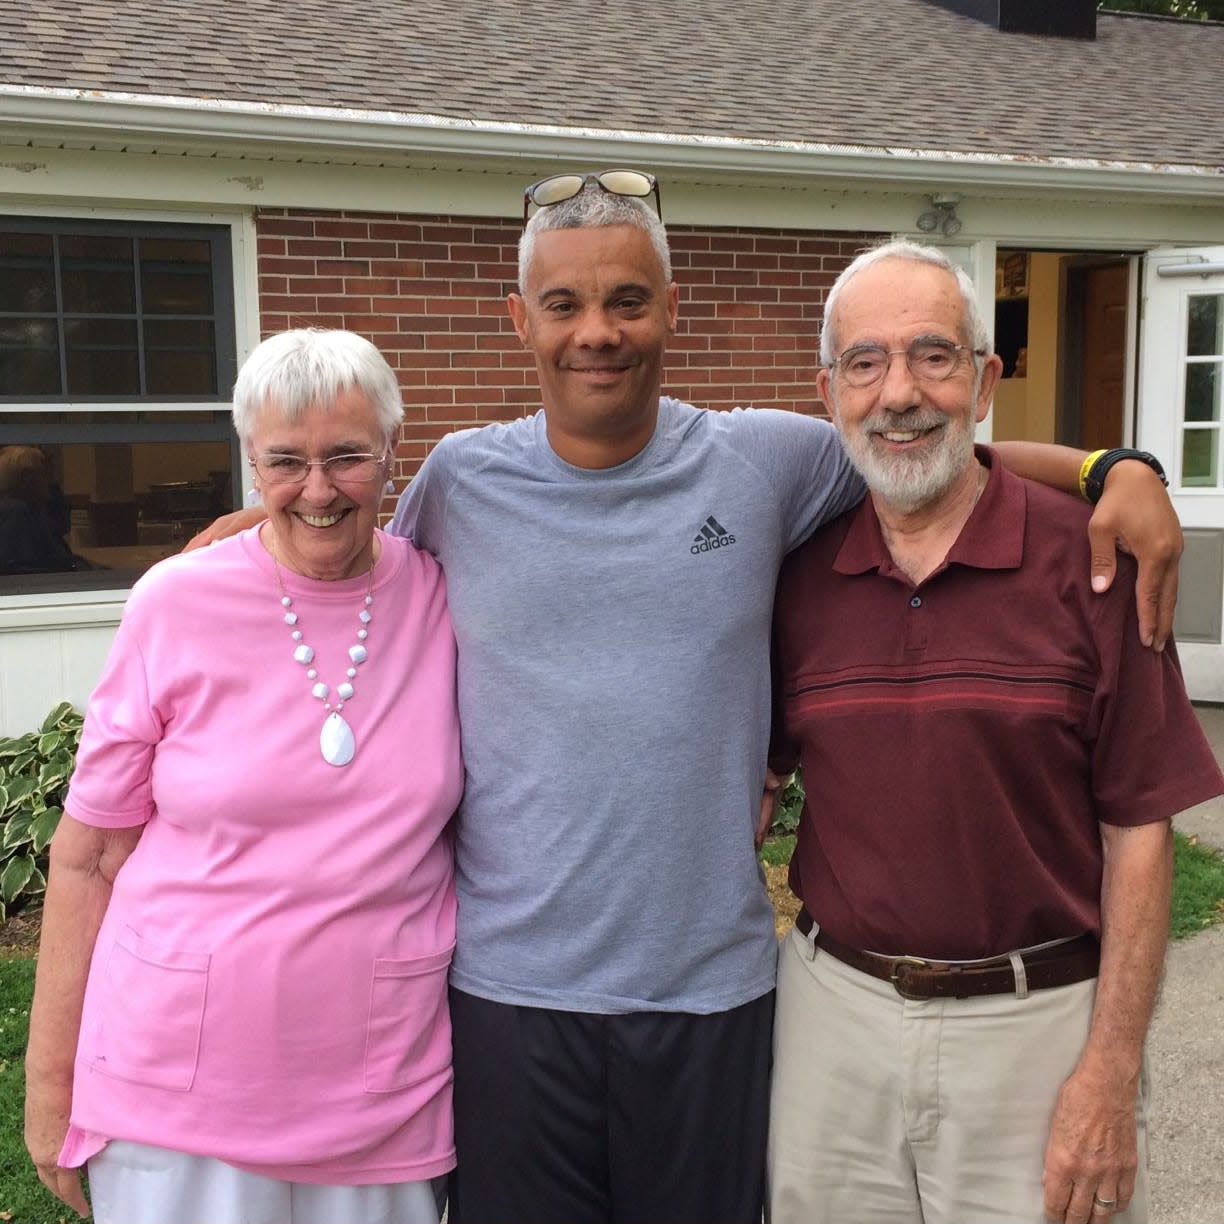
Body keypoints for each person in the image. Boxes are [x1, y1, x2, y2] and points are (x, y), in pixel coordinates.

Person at [189, 174, 1183, 1223]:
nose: (597, 333)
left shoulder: (766, 462)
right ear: (520, 321)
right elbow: (347, 565)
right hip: (508, 996)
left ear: (672, 307)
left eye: (627, 300)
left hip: (711, 995)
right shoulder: (459, 481)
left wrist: (1111, 469)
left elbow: (934, 453)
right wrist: (243, 540)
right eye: (565, 305)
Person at [767, 241, 1224, 1224]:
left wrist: (1109, 1075)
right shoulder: (794, 577)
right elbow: (751, 780)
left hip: (1038, 1026)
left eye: (934, 356)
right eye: (866, 362)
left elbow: (1139, 835)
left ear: (984, 382)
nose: (899, 393)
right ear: (828, 389)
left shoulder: (1095, 564)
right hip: (833, 1030)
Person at [24, 329, 463, 1224]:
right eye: (285, 461)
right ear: (249, 461)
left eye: (347, 457)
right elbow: (89, 856)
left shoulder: (445, 597)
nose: (316, 489)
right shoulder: (175, 602)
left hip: (380, 1088)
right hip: (175, 1092)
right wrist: (51, 1086)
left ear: (393, 452)